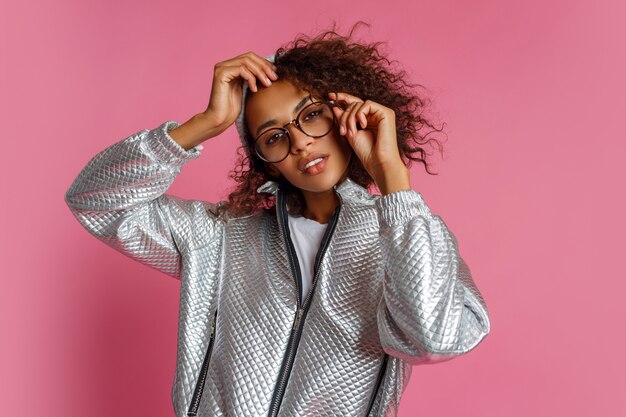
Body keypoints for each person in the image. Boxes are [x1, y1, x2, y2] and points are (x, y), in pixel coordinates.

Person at [65, 25, 491, 417]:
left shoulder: (406, 238)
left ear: (345, 114)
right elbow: (96, 202)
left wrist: (394, 178)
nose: (301, 142)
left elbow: (434, 339)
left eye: (311, 115)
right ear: (265, 164)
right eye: (273, 137)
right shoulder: (219, 236)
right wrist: (206, 123)